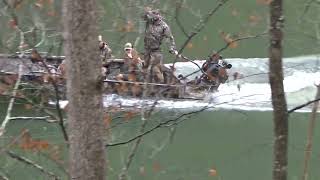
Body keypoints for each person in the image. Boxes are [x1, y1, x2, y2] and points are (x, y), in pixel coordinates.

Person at [143, 8, 179, 83]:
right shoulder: (149, 21)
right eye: (153, 14)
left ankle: (161, 84)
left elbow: (169, 38)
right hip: (147, 50)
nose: (154, 16)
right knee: (145, 68)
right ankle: (147, 85)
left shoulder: (164, 26)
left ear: (159, 15)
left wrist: (172, 48)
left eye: (156, 14)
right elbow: (143, 17)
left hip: (156, 51)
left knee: (156, 69)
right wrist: (147, 11)